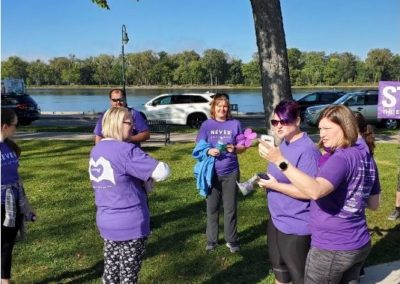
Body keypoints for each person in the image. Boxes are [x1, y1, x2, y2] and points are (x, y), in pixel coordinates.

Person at [258, 105, 381, 284]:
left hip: (333, 245)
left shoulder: (340, 158)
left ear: (346, 127)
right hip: (358, 241)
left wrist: (280, 161)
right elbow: (373, 203)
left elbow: (315, 191)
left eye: (327, 128)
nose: (321, 134)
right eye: (320, 128)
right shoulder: (365, 156)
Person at [89, 107, 170, 283]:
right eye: (129, 122)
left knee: (111, 273)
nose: (133, 126)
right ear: (117, 124)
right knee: (128, 276)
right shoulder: (126, 151)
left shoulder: (97, 150)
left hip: (106, 221)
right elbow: (162, 172)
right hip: (130, 223)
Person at [258, 100, 321, 284]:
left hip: (296, 224)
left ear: (298, 121)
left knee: (299, 277)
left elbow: (309, 192)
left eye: (284, 121)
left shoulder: (308, 150)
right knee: (280, 273)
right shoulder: (283, 145)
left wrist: (275, 186)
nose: (279, 126)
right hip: (277, 219)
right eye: (275, 122)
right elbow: (279, 174)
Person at [195, 93, 246, 253]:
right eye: (219, 106)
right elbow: (198, 147)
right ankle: (212, 240)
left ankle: (232, 240)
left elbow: (243, 146)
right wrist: (209, 150)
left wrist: (236, 148)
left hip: (231, 171)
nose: (222, 109)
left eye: (225, 106)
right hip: (211, 173)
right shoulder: (207, 125)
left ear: (228, 108)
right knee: (212, 208)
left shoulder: (235, 124)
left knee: (230, 208)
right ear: (213, 108)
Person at [1, 109, 36, 284]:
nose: (17, 128)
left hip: (12, 203)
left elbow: (16, 178)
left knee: (7, 244)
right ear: (5, 126)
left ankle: (4, 280)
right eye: (16, 125)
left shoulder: (10, 146)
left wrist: (26, 205)